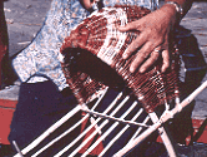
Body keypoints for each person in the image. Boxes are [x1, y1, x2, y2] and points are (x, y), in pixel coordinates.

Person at [9, 0, 193, 156]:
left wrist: (171, 11)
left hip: (132, 52)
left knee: (128, 148)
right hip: (58, 48)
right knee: (28, 141)